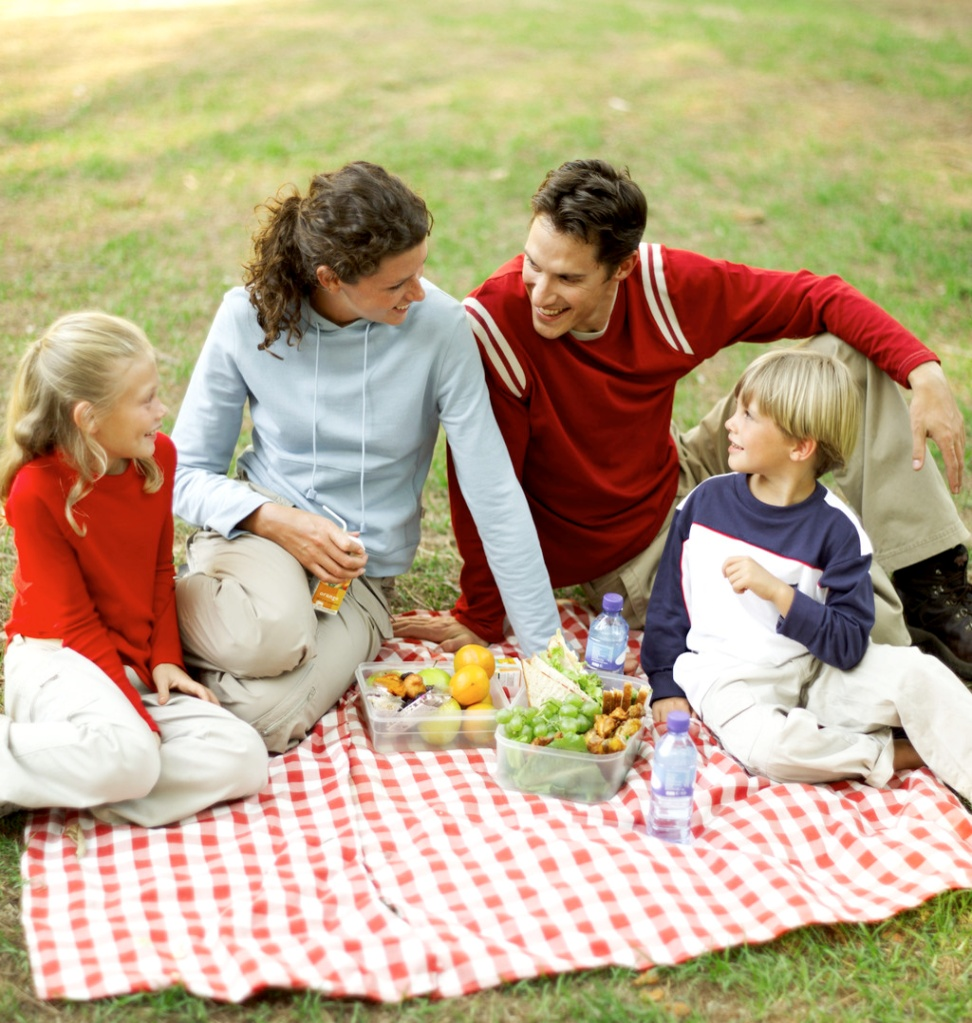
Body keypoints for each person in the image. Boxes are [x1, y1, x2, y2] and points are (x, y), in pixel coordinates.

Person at [394, 158, 972, 683]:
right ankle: (893, 657)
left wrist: (923, 371)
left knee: (846, 354)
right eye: (532, 265)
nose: (540, 293)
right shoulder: (495, 326)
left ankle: (931, 581)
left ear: (620, 270)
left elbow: (816, 297)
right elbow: (485, 488)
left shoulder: (662, 288)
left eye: (568, 279)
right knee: (793, 588)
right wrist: (482, 615)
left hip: (680, 468)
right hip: (632, 552)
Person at [171, 162, 560, 753]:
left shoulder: (441, 329)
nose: (419, 292)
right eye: (396, 283)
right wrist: (274, 520)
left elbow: (494, 492)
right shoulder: (246, 317)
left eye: (420, 271)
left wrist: (547, 658)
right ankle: (146, 617)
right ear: (331, 277)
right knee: (272, 637)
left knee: (266, 720)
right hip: (260, 532)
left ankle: (175, 668)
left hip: (358, 576)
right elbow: (184, 473)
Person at [638, 347, 972, 801]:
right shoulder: (704, 505)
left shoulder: (838, 531)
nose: (730, 425)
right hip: (727, 680)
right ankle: (887, 754)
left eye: (749, 416)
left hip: (818, 672)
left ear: (800, 447)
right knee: (771, 749)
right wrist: (663, 684)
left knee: (919, 673)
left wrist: (782, 595)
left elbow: (851, 644)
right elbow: (667, 609)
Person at [0, 312, 268, 826]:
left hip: (131, 660)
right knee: (133, 751)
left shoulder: (158, 459)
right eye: (145, 400)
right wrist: (137, 720)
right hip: (59, 658)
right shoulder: (37, 491)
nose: (161, 410)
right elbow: (73, 622)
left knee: (244, 757)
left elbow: (158, 573)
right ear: (89, 418)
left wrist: (165, 659)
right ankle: (96, 763)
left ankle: (76, 775)